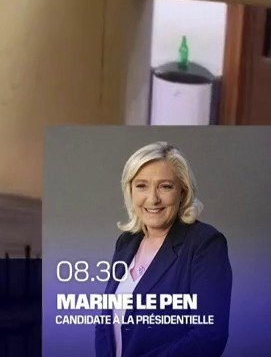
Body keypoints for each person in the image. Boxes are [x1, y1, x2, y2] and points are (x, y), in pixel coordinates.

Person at [94, 142, 232, 357]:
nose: (152, 199)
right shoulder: (126, 242)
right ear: (130, 190)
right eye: (141, 186)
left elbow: (209, 335)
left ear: (183, 192)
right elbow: (105, 320)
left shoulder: (205, 244)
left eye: (165, 186)